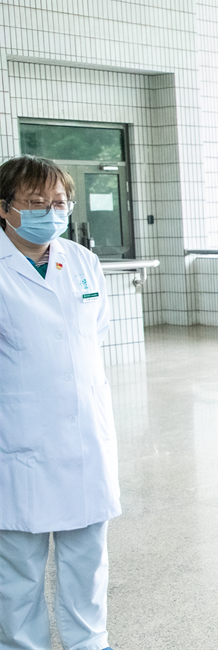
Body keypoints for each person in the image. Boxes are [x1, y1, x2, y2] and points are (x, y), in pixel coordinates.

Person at [0, 156, 120, 650]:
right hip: (18, 443)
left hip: (86, 436)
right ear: (4, 208)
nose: (50, 212)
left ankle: (89, 643)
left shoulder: (82, 260)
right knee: (19, 569)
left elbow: (95, 334)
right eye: (35, 203)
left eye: (59, 202)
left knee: (87, 560)